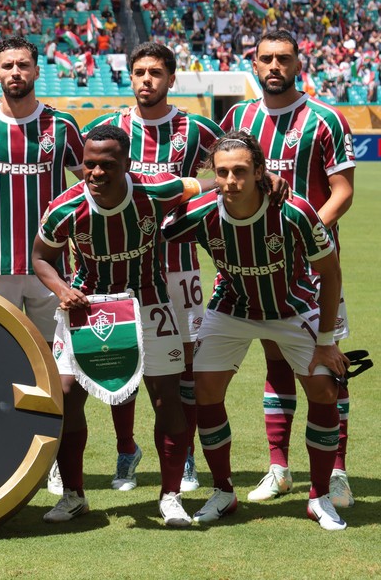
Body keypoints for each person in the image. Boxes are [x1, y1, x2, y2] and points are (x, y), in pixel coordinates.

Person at [162, 132, 349, 530]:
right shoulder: (202, 211)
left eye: (241, 172)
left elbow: (330, 274)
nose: (231, 181)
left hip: (292, 308)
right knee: (204, 389)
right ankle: (224, 491)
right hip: (233, 307)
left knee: (323, 388)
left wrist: (327, 342)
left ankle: (319, 497)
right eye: (224, 172)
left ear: (261, 171)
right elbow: (155, 223)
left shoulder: (294, 210)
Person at [34, 125, 207, 527]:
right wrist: (61, 288)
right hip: (87, 309)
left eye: (106, 165)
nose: (95, 173)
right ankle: (74, 495)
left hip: (149, 304)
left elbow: (203, 185)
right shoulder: (65, 207)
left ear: (126, 164)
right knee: (66, 396)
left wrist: (258, 177)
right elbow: (41, 256)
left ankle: (170, 497)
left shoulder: (156, 191)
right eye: (89, 164)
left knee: (167, 398)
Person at [220, 30, 357, 507]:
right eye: (265, 59)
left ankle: (336, 473)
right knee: (275, 360)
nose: (274, 66)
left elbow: (342, 190)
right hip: (256, 268)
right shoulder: (238, 117)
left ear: (299, 63)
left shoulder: (326, 118)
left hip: (316, 271)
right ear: (253, 65)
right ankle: (278, 468)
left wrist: (307, 234)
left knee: (327, 365)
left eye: (283, 58)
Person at [83, 42, 223, 493]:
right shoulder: (110, 129)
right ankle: (127, 451)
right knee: (120, 364)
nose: (146, 79)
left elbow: (225, 171)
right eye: (139, 71)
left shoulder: (197, 129)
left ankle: (184, 458)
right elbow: (89, 184)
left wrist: (193, 204)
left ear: (171, 78)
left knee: (183, 367)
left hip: (179, 269)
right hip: (122, 272)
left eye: (155, 72)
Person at [0, 35, 84, 346]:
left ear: (37, 71)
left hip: (52, 267)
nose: (16, 71)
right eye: (8, 66)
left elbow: (87, 187)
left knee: (56, 360)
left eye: (23, 65)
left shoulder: (62, 125)